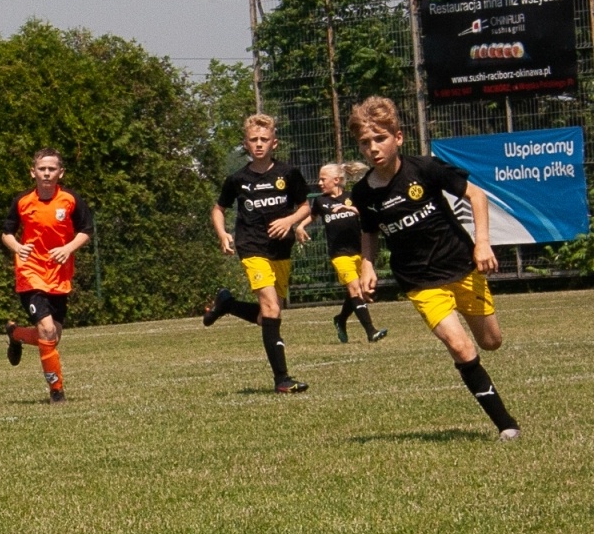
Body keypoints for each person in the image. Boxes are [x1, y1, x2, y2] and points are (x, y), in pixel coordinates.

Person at [348, 97, 520, 440]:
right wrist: (367, 265)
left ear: (398, 137)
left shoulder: (424, 169)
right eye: (365, 143)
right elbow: (368, 231)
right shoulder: (363, 192)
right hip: (420, 281)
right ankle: (506, 426)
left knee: (491, 342)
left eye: (379, 138)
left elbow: (478, 197)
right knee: (460, 347)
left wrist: (482, 242)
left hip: (461, 267)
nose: (373, 148)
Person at [203, 114, 312, 393]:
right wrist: (223, 234)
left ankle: (227, 304)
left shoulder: (288, 174)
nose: (259, 144)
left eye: (264, 139)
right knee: (272, 308)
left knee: (269, 315)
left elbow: (305, 207)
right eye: (254, 140)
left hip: (281, 249)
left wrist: (290, 222)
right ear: (246, 144)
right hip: (251, 247)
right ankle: (282, 380)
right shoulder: (238, 179)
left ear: (274, 142)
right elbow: (218, 208)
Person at [1, 148, 94, 403]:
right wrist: (18, 248)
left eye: (52, 169)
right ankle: (57, 392)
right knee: (47, 330)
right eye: (42, 168)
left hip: (59, 276)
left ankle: (16, 334)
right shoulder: (22, 202)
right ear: (33, 172)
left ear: (60, 172)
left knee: (52, 337)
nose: (46, 173)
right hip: (30, 274)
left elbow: (86, 230)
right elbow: (6, 232)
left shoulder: (70, 200)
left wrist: (67, 248)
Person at [306, 162, 387, 344]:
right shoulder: (320, 201)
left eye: (322, 179)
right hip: (339, 254)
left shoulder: (352, 197)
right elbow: (311, 217)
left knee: (359, 291)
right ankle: (371, 331)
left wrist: (351, 209)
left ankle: (340, 319)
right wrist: (300, 227)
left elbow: (368, 215)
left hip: (359, 251)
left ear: (336, 180)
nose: (319, 182)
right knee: (354, 289)